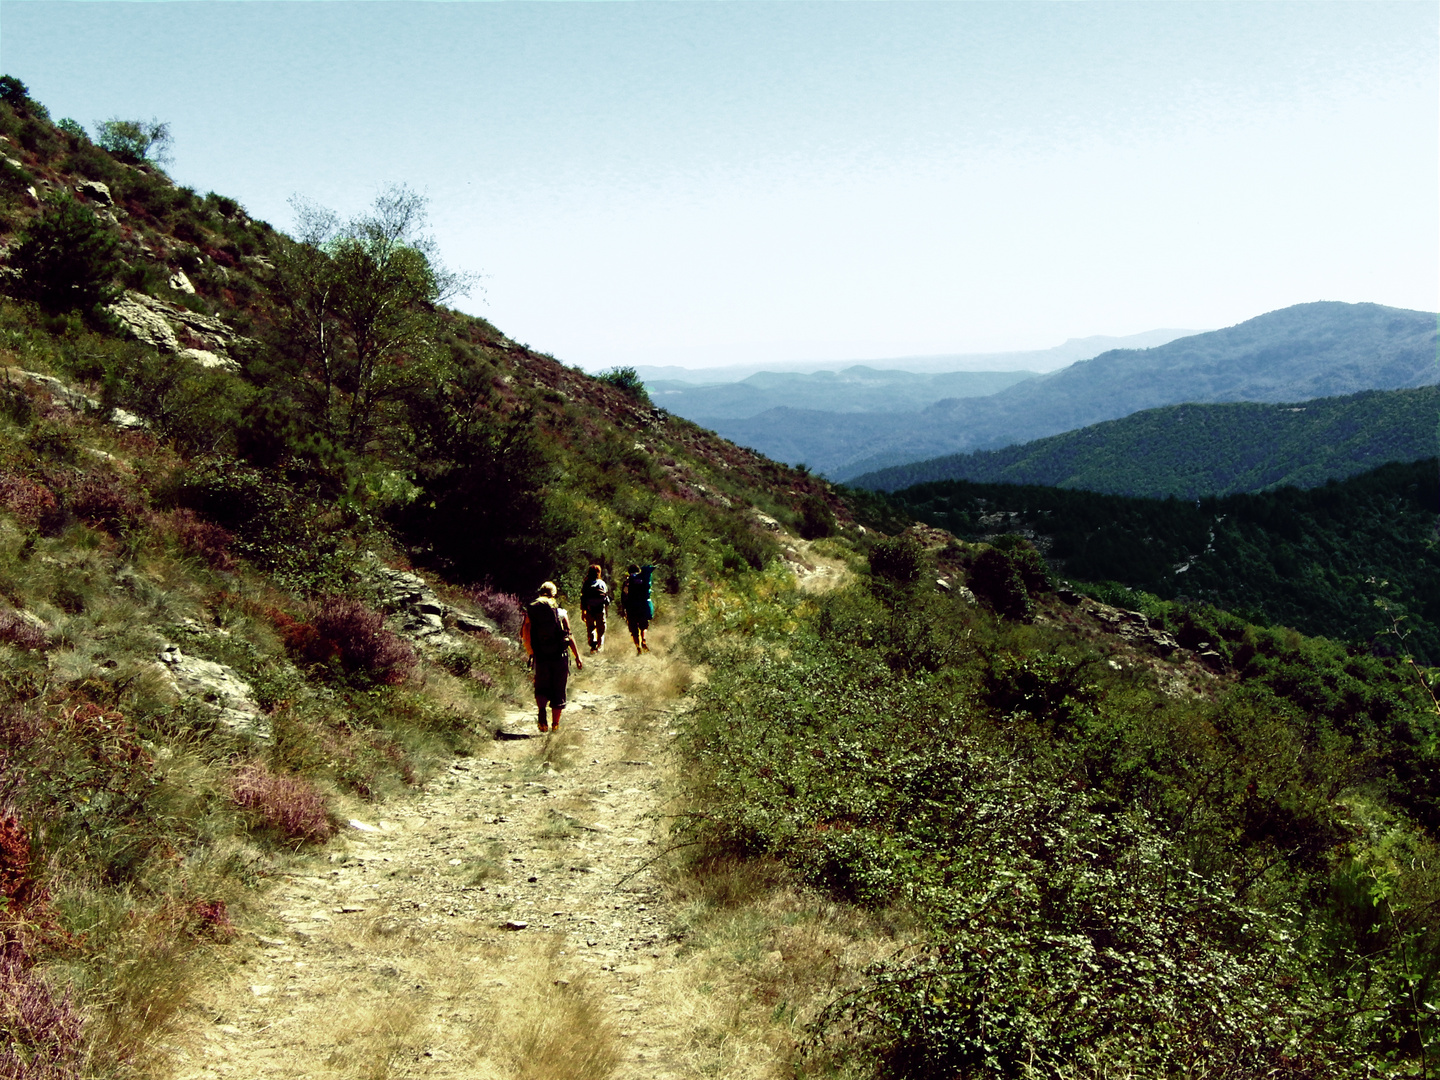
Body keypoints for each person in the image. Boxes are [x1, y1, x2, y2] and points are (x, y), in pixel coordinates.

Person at [520, 581, 582, 733]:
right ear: (554, 594)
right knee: (558, 689)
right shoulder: (560, 612)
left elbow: (524, 633)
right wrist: (577, 656)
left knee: (541, 687)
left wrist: (531, 651)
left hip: (541, 655)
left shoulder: (532, 612)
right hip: (559, 656)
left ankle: (542, 713)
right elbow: (569, 635)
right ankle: (555, 725)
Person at [619, 563, 656, 654]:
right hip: (643, 606)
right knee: (643, 626)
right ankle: (643, 639)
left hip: (631, 607)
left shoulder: (628, 581)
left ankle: (638, 647)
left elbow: (624, 595)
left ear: (629, 572)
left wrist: (624, 608)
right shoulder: (643, 579)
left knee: (634, 629)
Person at [579, 563, 610, 653]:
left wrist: (583, 612)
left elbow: (583, 598)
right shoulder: (602, 583)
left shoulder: (586, 583)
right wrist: (606, 611)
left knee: (591, 627)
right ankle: (600, 646)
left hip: (589, 609)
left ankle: (593, 645)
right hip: (600, 609)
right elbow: (606, 599)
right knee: (601, 628)